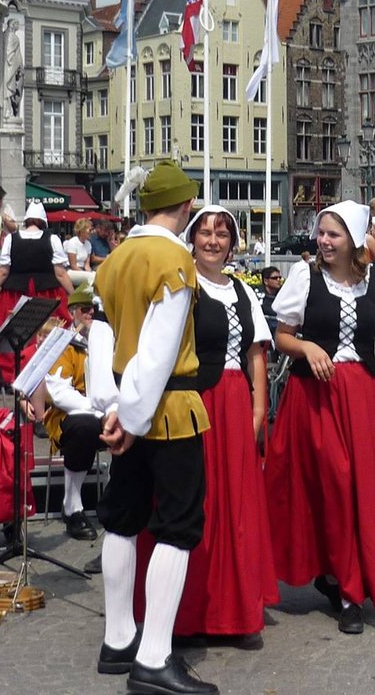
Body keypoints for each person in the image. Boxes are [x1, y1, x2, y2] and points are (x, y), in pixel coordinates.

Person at [88, 160, 217, 694]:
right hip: (166, 411)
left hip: (126, 403)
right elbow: (159, 352)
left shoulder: (114, 259)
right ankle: (155, 655)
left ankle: (118, 638)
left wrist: (111, 407)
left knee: (123, 517)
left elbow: (100, 336)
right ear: (186, 206)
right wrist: (135, 418)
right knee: (177, 525)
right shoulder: (175, 260)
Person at [265, 200, 375, 636]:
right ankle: (338, 577)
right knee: (332, 486)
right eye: (322, 233)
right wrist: (307, 347)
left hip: (364, 397)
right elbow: (281, 335)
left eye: (333, 234)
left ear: (355, 240)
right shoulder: (304, 279)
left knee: (364, 491)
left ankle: (350, 589)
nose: (324, 241)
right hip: (316, 398)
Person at [140, 203, 277, 639]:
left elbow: (255, 351)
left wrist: (257, 408)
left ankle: (233, 611)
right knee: (193, 502)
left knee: (234, 504)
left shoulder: (243, 291)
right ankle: (186, 614)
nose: (213, 242)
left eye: (222, 234)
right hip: (193, 401)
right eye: (206, 233)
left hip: (234, 403)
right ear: (192, 238)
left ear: (233, 243)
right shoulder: (183, 283)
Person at [24, 283, 105, 540]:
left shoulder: (110, 340)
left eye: (96, 310)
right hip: (71, 416)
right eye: (85, 309)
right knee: (84, 427)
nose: (91, 314)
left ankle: (120, 499)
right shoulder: (63, 344)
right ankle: (72, 506)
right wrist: (98, 409)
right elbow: (59, 393)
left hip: (108, 411)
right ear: (73, 313)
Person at [0, 202, 75, 388]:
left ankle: (9, 373)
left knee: (5, 333)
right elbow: (60, 273)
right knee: (51, 333)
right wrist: (74, 297)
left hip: (14, 295)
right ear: (43, 221)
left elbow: (2, 272)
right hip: (46, 295)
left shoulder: (11, 239)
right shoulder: (52, 239)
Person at [65, 218, 95, 287]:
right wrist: (85, 273)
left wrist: (89, 271)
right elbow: (73, 265)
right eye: (89, 230)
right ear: (82, 230)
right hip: (71, 270)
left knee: (97, 276)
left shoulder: (88, 244)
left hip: (82, 270)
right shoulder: (72, 243)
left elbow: (87, 265)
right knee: (91, 277)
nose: (91, 232)